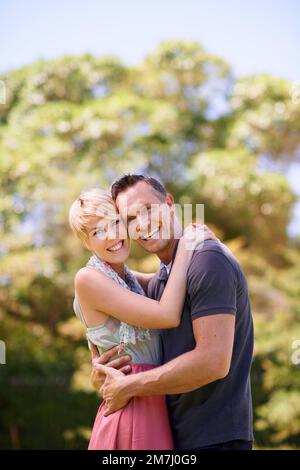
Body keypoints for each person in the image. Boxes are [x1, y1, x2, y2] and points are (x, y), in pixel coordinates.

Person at [92, 174, 254, 451]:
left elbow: (213, 361)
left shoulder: (207, 259)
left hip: (217, 438)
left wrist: (129, 386)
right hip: (173, 438)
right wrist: (102, 368)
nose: (142, 225)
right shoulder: (164, 281)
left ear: (169, 203)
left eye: (148, 210)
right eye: (130, 220)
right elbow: (120, 283)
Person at [69, 188, 211, 450]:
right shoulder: (88, 279)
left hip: (148, 396)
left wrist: (192, 241)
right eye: (97, 231)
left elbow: (166, 281)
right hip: (130, 405)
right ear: (85, 242)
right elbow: (166, 314)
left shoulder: (127, 279)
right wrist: (187, 246)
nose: (112, 235)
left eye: (115, 223)